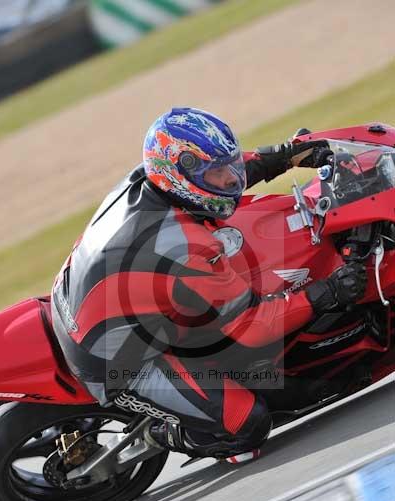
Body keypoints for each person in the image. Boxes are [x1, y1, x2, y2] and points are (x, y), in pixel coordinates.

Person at [51, 107, 367, 462]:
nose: (230, 178)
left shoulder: (147, 180)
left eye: (228, 166)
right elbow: (250, 326)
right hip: (115, 360)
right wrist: (325, 293)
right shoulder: (184, 246)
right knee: (247, 424)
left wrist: (284, 155)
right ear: (178, 175)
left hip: (91, 303)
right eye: (219, 172)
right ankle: (161, 434)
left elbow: (219, 175)